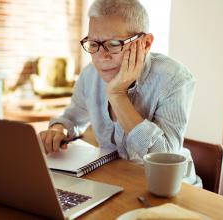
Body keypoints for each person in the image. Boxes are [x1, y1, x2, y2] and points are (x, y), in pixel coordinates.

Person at [39, 0, 200, 186]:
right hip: (116, 179)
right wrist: (58, 129)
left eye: (114, 44)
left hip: (170, 187)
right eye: (93, 44)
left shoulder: (175, 78)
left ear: (145, 43)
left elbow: (164, 158)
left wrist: (117, 95)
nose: (101, 56)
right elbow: (73, 118)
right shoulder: (90, 74)